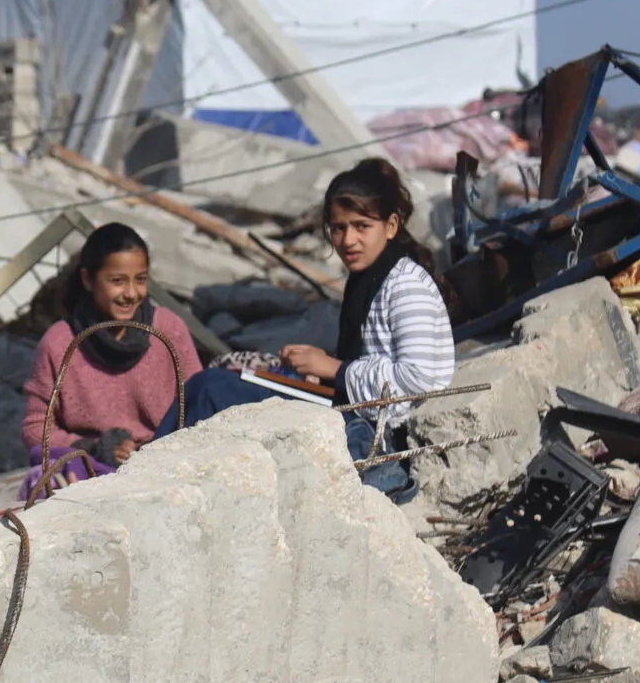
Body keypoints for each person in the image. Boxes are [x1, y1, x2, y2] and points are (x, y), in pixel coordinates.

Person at [163, 157, 454, 501]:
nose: (349, 240)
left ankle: (157, 479)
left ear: (391, 226)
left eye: (362, 226)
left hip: (373, 431)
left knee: (212, 389)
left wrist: (334, 369)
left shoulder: (405, 285)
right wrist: (319, 370)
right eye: (338, 228)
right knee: (219, 377)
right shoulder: (368, 278)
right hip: (352, 403)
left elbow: (420, 378)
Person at [20, 222, 203, 496]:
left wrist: (156, 448)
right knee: (42, 482)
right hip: (90, 468)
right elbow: (36, 428)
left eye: (140, 279)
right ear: (87, 279)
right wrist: (93, 447)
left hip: (165, 466)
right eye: (117, 281)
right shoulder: (60, 343)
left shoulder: (168, 331)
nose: (131, 293)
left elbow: (199, 405)